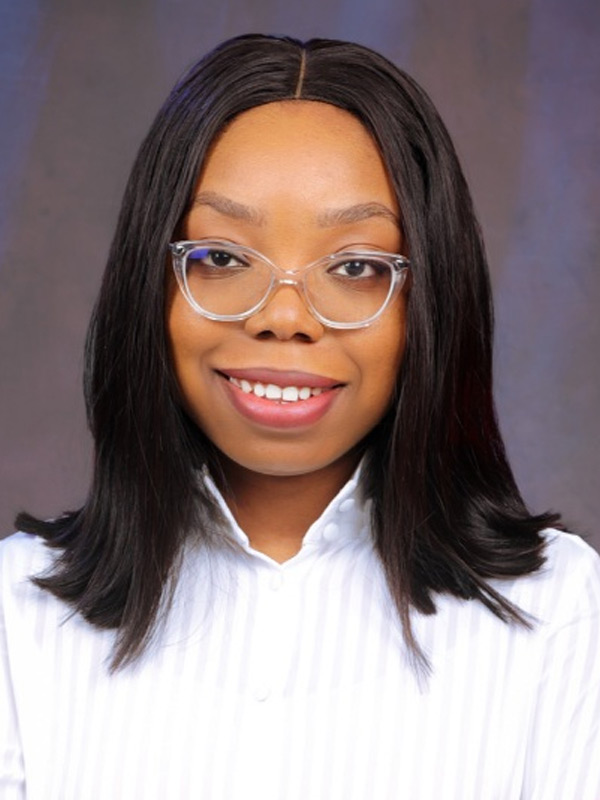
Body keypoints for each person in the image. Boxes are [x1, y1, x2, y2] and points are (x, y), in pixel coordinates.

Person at [1, 34, 599, 799]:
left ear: (430, 303)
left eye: (355, 266)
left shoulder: (560, 612)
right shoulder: (14, 617)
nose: (284, 317)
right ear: (150, 283)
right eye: (222, 257)